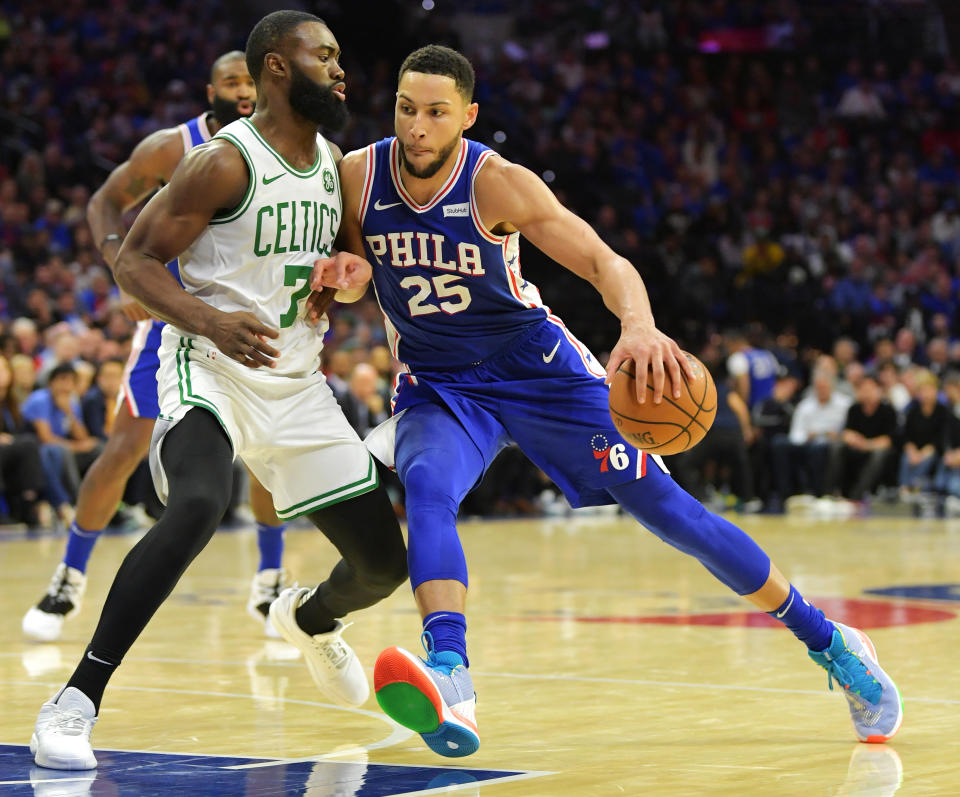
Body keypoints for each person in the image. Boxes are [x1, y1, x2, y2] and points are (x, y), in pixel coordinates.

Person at [313, 45, 902, 758]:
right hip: (440, 382)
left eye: (436, 112)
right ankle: (450, 676)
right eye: (408, 108)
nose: (417, 127)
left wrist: (640, 324)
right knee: (428, 485)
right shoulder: (355, 175)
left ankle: (831, 642)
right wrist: (344, 280)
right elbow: (350, 275)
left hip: (538, 373)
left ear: (467, 117)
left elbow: (601, 260)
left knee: (673, 513)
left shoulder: (498, 185)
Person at [30, 11, 407, 771]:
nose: (340, 71)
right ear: (276, 66)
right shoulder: (223, 161)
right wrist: (210, 318)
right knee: (199, 503)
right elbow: (134, 260)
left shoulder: (333, 162)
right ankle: (73, 702)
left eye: (338, 58)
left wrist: (344, 276)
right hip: (208, 367)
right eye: (323, 56)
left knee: (382, 566)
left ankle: (310, 616)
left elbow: (337, 262)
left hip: (297, 383)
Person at [22, 50, 291, 644]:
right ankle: (69, 573)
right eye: (231, 81)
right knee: (123, 448)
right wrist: (121, 266)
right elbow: (103, 202)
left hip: (249, 314)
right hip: (175, 317)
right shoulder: (173, 147)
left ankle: (270, 577)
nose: (243, 91)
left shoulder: (285, 146)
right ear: (211, 89)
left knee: (264, 453)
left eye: (251, 82)